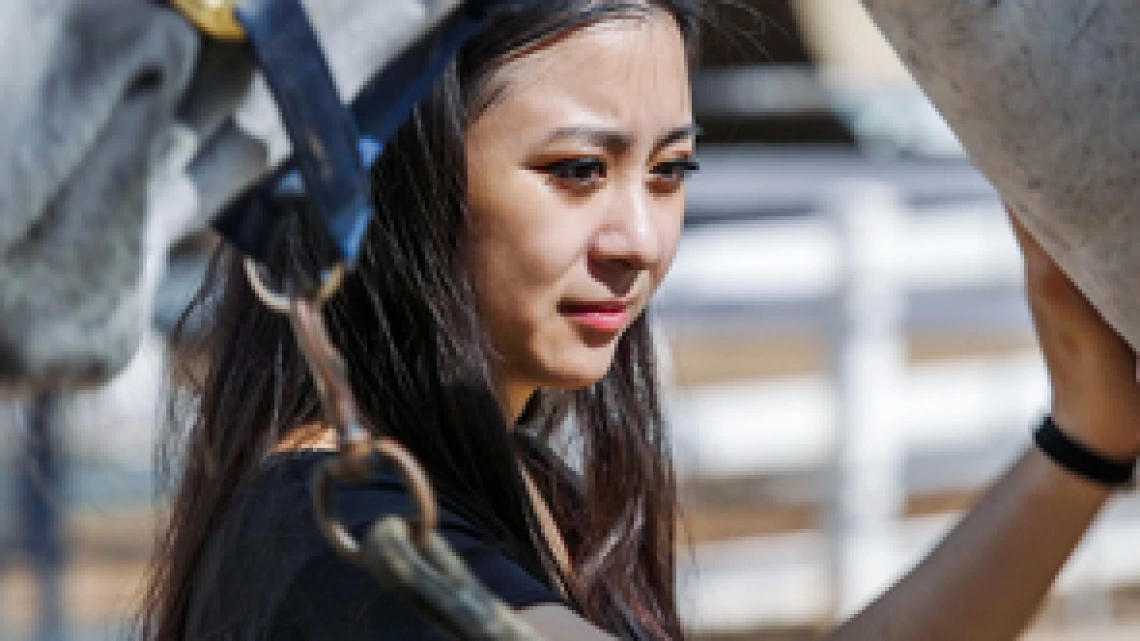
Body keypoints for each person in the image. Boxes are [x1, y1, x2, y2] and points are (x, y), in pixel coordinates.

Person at [137, 1, 1140, 639]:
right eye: (576, 170)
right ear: (403, 175)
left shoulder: (507, 487)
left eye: (669, 172)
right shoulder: (346, 538)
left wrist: (1082, 442)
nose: (639, 237)